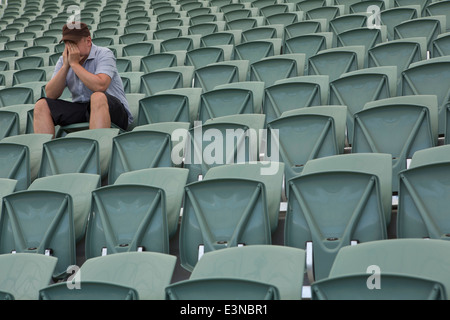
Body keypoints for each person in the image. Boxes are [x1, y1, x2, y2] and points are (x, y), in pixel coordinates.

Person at [33, 22, 133, 137]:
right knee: (42, 105)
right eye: (67, 44)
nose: (71, 49)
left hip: (112, 110)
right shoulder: (63, 60)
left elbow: (100, 86)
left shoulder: (104, 54)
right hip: (82, 109)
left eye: (74, 43)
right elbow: (51, 94)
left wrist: (75, 64)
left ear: (88, 41)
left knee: (97, 96)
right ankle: (45, 152)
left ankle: (99, 148)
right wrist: (66, 66)